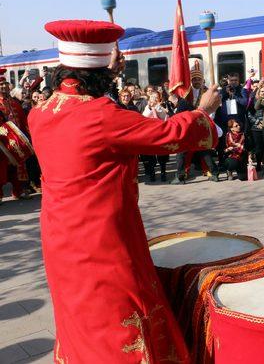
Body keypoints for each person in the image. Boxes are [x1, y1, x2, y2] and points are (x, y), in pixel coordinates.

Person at [28, 19, 221, 362]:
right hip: (102, 238)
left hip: (59, 236)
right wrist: (202, 111)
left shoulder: (40, 113)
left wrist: (104, 73)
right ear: (102, 76)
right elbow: (168, 135)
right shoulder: (102, 116)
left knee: (78, 314)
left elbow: (94, 107)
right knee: (118, 314)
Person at [141, 91, 170, 182]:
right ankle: (152, 173)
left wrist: (156, 106)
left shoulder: (162, 107)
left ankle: (163, 172)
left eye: (156, 97)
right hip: (150, 134)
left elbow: (163, 115)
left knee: (162, 155)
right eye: (152, 97)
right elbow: (144, 116)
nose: (153, 99)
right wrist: (150, 107)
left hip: (161, 133)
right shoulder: (147, 107)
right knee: (150, 155)